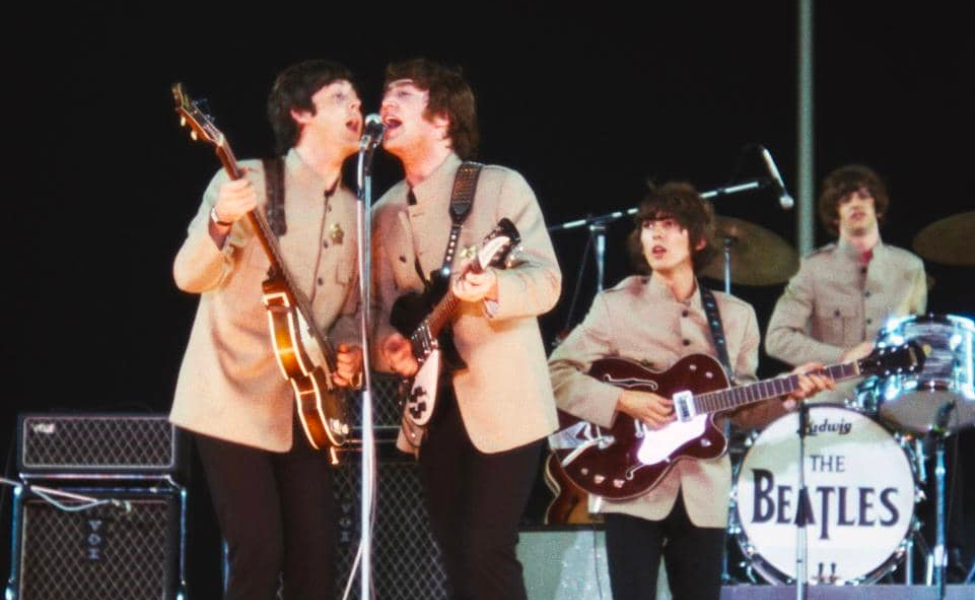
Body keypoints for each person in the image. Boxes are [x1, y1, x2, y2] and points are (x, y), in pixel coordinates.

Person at [549, 183, 831, 600]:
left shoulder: (736, 317)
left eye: (670, 225)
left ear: (698, 240)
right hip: (629, 485)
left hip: (703, 493)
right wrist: (623, 400)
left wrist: (791, 394)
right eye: (648, 226)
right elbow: (556, 374)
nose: (656, 235)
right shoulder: (616, 305)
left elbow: (744, 409)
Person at [170, 59, 364, 600]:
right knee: (257, 551)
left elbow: (350, 306)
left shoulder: (356, 209)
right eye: (339, 98)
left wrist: (348, 348)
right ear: (300, 113)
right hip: (231, 395)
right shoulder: (247, 179)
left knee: (316, 561)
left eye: (356, 97)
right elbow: (188, 275)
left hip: (307, 403)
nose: (357, 107)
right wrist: (221, 221)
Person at [371, 58, 561, 600]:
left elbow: (546, 280)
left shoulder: (499, 186)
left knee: (487, 548)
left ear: (443, 119)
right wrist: (390, 351)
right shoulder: (381, 212)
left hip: (504, 401)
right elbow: (384, 317)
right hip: (432, 408)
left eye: (402, 93)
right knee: (455, 557)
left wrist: (492, 288)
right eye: (385, 93)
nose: (385, 103)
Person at [766, 164, 926, 385]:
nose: (856, 204)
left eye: (864, 196)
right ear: (834, 215)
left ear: (877, 208)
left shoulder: (910, 266)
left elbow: (919, 341)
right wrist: (842, 357)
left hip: (892, 396)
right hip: (832, 395)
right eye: (845, 199)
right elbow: (777, 339)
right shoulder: (811, 268)